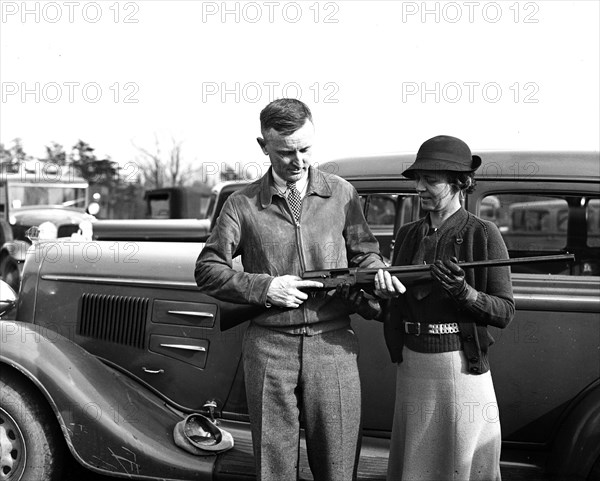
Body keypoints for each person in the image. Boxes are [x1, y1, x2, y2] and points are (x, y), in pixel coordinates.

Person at [194, 98, 386, 480]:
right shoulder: (242, 204)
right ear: (263, 146)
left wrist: (377, 271)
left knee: (338, 463)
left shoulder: (342, 194)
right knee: (275, 466)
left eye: (306, 149)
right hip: (269, 349)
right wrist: (266, 288)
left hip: (332, 347)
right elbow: (208, 269)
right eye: (286, 152)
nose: (298, 160)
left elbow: (366, 253)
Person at [374, 135, 515, 481]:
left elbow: (505, 310)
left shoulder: (482, 233)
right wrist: (385, 294)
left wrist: (465, 293)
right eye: (418, 179)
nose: (419, 187)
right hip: (413, 364)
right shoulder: (408, 234)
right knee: (416, 468)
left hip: (459, 367)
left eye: (430, 180)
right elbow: (401, 302)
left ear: (459, 183)